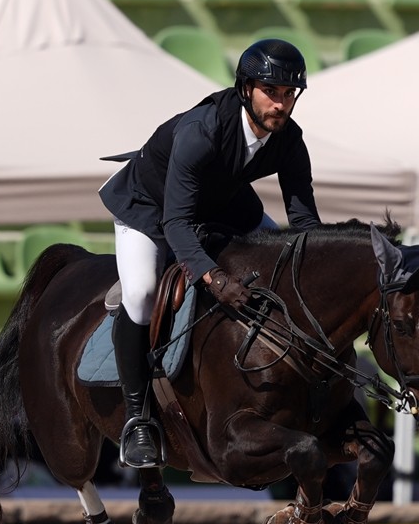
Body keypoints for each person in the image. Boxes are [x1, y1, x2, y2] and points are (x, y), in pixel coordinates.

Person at [97, 38, 322, 469]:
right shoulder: (202, 131)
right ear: (245, 89)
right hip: (152, 207)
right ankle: (137, 419)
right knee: (142, 292)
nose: (281, 103)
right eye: (270, 92)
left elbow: (304, 222)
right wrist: (215, 279)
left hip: (223, 205)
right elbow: (176, 224)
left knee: (282, 263)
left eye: (289, 94)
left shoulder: (288, 139)